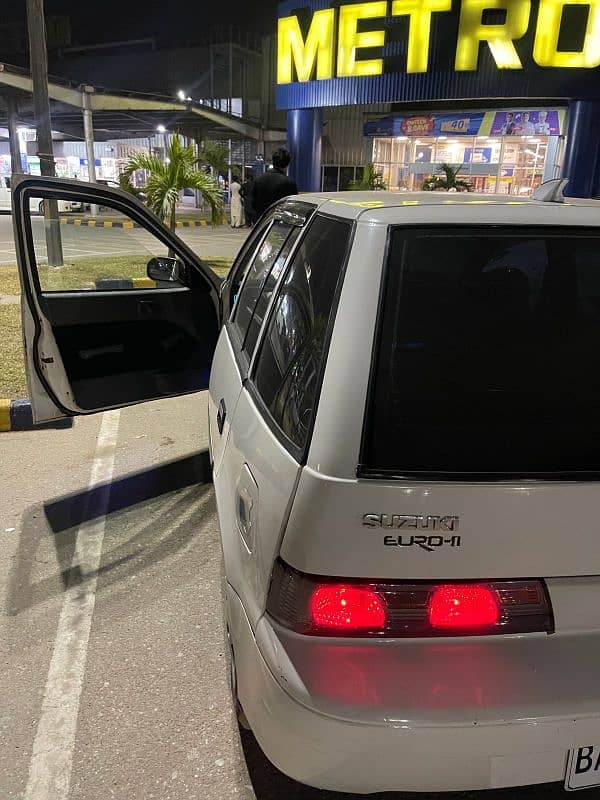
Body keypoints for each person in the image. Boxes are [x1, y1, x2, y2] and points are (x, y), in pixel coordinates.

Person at [250, 147, 298, 220]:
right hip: (278, 222)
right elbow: (292, 206)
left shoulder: (259, 179)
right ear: (287, 164)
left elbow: (253, 202)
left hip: (261, 221)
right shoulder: (289, 183)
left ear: (273, 161)